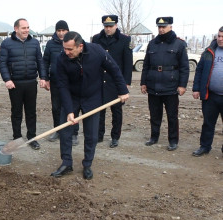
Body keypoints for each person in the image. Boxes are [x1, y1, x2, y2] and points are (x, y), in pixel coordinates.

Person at [51, 31, 129, 179]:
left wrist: (123, 90)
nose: (66, 52)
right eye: (64, 48)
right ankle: (66, 163)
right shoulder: (61, 59)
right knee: (65, 132)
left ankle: (87, 164)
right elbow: (62, 85)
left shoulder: (97, 51)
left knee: (91, 134)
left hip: (92, 97)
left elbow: (114, 69)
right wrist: (69, 110)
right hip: (72, 97)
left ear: (80, 46)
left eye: (69, 49)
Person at [141, 17, 189, 151]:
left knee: (172, 116)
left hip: (171, 86)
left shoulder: (179, 44)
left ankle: (173, 140)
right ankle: (154, 137)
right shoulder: (152, 44)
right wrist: (143, 83)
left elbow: (184, 67)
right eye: (159, 27)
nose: (161, 29)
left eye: (164, 27)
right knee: (154, 115)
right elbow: (146, 65)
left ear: (170, 27)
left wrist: (182, 85)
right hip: (153, 85)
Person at [0, 18, 47, 150]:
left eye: (27, 28)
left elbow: (40, 61)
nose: (26, 30)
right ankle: (17, 138)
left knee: (31, 112)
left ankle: (32, 138)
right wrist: (7, 79)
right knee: (16, 112)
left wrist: (43, 77)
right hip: (15, 84)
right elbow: (2, 63)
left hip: (31, 82)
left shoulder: (34, 43)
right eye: (23, 28)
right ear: (16, 29)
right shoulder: (7, 43)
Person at [92, 15, 132, 148]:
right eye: (106, 26)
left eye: (110, 26)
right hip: (100, 81)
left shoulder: (124, 40)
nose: (108, 29)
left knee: (116, 112)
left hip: (116, 82)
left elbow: (127, 63)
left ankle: (115, 136)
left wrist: (125, 84)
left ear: (116, 25)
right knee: (100, 110)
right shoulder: (97, 39)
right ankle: (99, 134)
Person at [43, 20, 79, 146]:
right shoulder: (50, 44)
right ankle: (57, 130)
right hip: (56, 81)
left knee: (73, 107)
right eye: (59, 31)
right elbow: (45, 61)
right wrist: (45, 78)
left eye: (64, 30)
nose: (61, 33)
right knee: (56, 107)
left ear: (68, 31)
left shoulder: (74, 42)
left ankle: (74, 133)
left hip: (72, 82)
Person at [191, 26, 223, 157]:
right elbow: (199, 70)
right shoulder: (209, 51)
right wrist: (196, 88)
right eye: (219, 36)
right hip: (211, 95)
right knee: (208, 123)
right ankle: (205, 146)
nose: (220, 39)